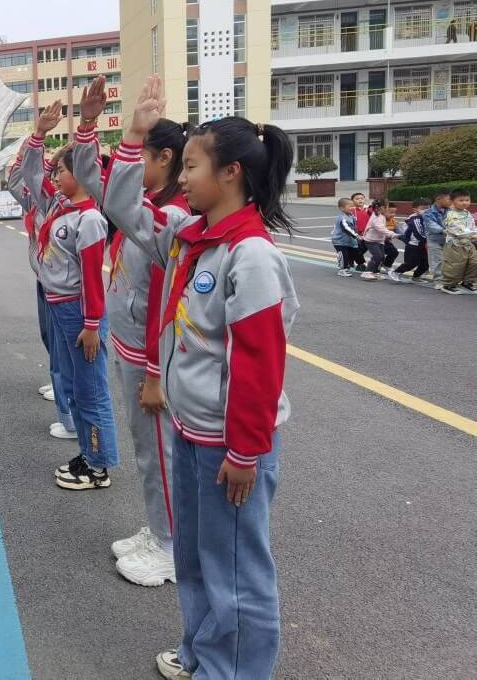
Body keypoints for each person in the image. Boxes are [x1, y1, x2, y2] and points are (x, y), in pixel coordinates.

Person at [105, 76, 298, 680]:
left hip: (228, 446)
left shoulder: (251, 255)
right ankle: (201, 653)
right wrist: (134, 134)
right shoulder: (190, 238)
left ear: (231, 173)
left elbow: (259, 364)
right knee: (193, 559)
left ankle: (233, 670)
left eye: (191, 167)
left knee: (236, 571)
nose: (181, 178)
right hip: (191, 431)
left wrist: (244, 451)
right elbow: (121, 208)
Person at [72, 76, 186, 587]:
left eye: (141, 154)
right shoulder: (146, 203)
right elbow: (94, 178)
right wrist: (88, 125)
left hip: (149, 354)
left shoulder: (172, 216)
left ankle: (171, 544)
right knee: (149, 451)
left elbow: (165, 300)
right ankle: (160, 528)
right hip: (133, 344)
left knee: (158, 452)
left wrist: (156, 373)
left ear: (164, 159)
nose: (130, 164)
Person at [26, 89, 119, 491]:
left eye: (61, 172)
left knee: (91, 390)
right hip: (60, 306)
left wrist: (93, 324)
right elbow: (30, 177)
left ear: (80, 173)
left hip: (80, 315)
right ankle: (88, 452)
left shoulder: (89, 219)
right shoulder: (62, 207)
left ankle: (98, 467)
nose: (54, 178)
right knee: (77, 388)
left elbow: (92, 277)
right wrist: (38, 135)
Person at [9, 127, 70, 418]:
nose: (54, 178)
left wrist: (40, 149)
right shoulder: (39, 200)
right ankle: (59, 384)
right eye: (54, 172)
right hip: (44, 278)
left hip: (62, 285)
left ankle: (66, 396)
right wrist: (25, 154)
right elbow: (17, 183)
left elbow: (35, 177)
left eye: (60, 172)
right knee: (49, 336)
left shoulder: (65, 205)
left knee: (62, 342)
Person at [440, 188, 477, 294]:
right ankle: (448, 285)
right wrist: (474, 234)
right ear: (452, 201)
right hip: (455, 245)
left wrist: (474, 233)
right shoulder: (451, 214)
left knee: (474, 262)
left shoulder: (466, 213)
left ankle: (468, 282)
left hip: (468, 243)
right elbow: (458, 229)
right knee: (455, 265)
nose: (464, 202)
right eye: (461, 200)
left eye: (467, 200)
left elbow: (472, 226)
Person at [390, 199, 431, 282]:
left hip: (423, 244)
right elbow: (418, 233)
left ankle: (416, 276)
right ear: (415, 210)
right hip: (413, 244)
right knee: (411, 263)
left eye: (428, 208)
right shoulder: (414, 218)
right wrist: (426, 240)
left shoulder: (428, 217)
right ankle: (396, 272)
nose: (426, 210)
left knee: (426, 263)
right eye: (423, 208)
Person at [422, 190, 453, 285]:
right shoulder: (428, 212)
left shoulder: (450, 211)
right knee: (437, 261)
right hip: (434, 240)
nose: (451, 201)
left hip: (448, 240)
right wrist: (444, 230)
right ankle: (438, 281)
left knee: (449, 260)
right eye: (449, 199)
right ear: (439, 199)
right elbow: (431, 225)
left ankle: (447, 279)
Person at [360, 199, 392, 280]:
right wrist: (395, 235)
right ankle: (367, 273)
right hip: (371, 240)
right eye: (387, 207)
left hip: (379, 240)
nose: (388, 208)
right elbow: (382, 229)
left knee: (382, 257)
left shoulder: (381, 215)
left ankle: (376, 272)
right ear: (382, 207)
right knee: (377, 256)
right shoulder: (376, 218)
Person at [331, 198, 361, 277]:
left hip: (347, 241)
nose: (352, 208)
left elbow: (354, 227)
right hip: (339, 241)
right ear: (342, 208)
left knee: (351, 254)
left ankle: (347, 266)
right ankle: (342, 270)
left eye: (352, 206)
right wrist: (356, 235)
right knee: (343, 255)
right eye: (349, 206)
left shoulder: (351, 216)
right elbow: (346, 228)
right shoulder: (342, 218)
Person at [350, 191, 371, 271]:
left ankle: (351, 259)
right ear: (352, 201)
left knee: (363, 249)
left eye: (362, 198)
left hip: (368, 234)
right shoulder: (351, 210)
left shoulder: (369, 209)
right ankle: (360, 264)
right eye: (357, 199)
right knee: (357, 249)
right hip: (356, 234)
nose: (360, 200)